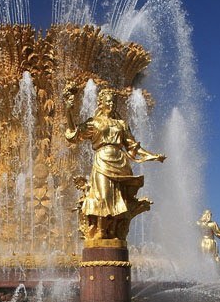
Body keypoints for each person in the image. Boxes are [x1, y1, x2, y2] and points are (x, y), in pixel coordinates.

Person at [64, 85, 165, 240]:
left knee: (118, 198)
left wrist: (153, 156)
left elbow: (133, 146)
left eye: (113, 102)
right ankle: (100, 230)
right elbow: (75, 133)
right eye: (108, 101)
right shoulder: (94, 122)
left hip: (120, 162)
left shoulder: (121, 124)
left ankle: (112, 231)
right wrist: (68, 111)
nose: (111, 104)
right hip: (102, 160)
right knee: (102, 195)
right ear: (101, 103)